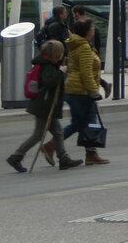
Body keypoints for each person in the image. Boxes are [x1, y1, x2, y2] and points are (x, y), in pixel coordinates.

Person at [5, 40, 84, 172]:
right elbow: (49, 82)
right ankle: (16, 156)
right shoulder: (47, 67)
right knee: (38, 134)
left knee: (58, 133)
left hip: (45, 104)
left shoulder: (46, 64)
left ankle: (63, 158)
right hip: (44, 105)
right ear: (56, 54)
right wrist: (61, 73)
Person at [62, 18, 110, 166]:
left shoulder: (78, 44)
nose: (94, 29)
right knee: (80, 123)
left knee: (88, 122)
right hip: (80, 90)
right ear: (87, 31)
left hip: (76, 89)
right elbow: (86, 72)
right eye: (92, 27)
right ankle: (52, 145)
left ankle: (91, 153)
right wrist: (93, 91)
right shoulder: (83, 47)